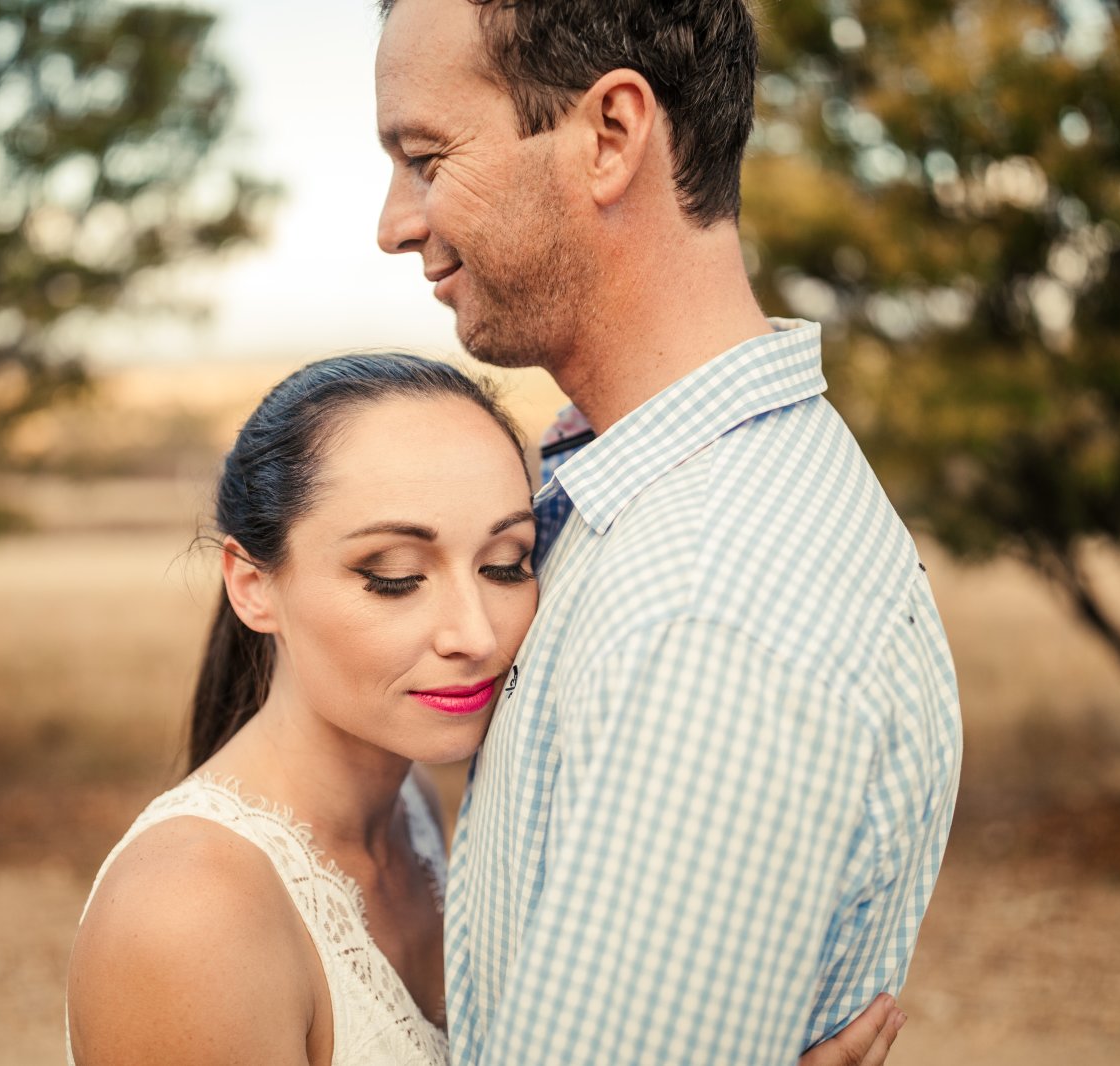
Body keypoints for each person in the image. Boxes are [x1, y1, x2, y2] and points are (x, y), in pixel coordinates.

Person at [373, 1, 963, 1065]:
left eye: (425, 159)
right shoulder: (637, 499)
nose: (394, 224)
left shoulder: (706, 611)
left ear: (609, 134)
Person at [63, 353, 908, 1065]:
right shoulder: (187, 915)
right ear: (253, 586)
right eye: (394, 575)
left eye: (506, 564)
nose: (475, 635)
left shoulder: (410, 806)